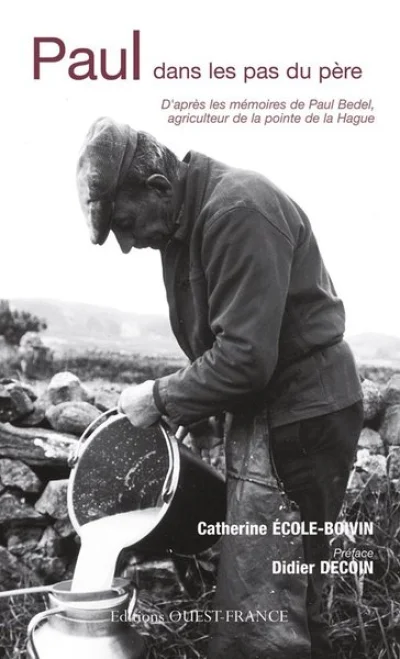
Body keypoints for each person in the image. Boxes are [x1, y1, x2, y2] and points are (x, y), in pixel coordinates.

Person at [76, 116, 363, 659]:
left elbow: (247, 358)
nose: (126, 244)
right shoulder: (186, 222)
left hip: (300, 416)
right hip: (274, 412)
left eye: (125, 224)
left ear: (158, 187)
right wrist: (194, 407)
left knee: (272, 608)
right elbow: (226, 341)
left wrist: (160, 397)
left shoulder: (236, 211)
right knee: (282, 592)